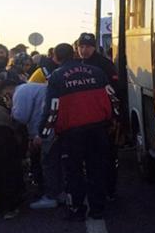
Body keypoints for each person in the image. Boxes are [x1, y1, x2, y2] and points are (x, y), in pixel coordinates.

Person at [41, 43, 118, 220]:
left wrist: (44, 132)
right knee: (96, 169)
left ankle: (76, 209)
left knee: (73, 172)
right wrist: (114, 121)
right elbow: (112, 98)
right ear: (75, 54)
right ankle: (98, 209)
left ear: (56, 58)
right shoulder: (96, 72)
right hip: (98, 129)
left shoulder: (56, 77)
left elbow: (52, 108)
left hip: (71, 133)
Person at [78, 32, 120, 201]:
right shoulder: (75, 64)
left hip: (104, 120)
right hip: (83, 119)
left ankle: (109, 190)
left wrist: (116, 118)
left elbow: (116, 91)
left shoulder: (105, 65)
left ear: (94, 47)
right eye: (81, 46)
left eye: (87, 46)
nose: (84, 50)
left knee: (107, 157)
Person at [12, 81, 65, 209]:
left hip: (45, 130)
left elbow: (21, 116)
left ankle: (52, 196)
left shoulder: (21, 91)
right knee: (58, 162)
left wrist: (12, 111)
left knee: (49, 163)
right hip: (58, 126)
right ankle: (61, 192)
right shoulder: (36, 88)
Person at [0, 80, 25, 219]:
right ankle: (9, 207)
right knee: (7, 169)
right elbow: (17, 132)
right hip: (3, 132)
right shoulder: (4, 110)